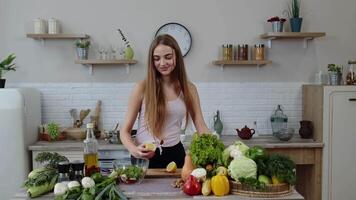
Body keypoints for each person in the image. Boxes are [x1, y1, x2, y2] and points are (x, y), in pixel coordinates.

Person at [120, 34, 210, 168]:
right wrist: (135, 150)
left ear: (177, 57)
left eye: (168, 57)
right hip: (145, 156)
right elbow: (124, 131)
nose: (162, 63)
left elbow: (200, 125)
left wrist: (214, 145)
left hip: (176, 155)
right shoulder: (142, 88)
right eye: (156, 59)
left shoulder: (189, 89)